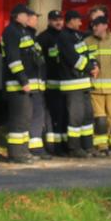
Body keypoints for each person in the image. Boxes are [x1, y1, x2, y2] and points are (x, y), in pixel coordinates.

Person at [0, 4, 42, 163]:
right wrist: (23, 80)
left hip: (25, 85)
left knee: (25, 119)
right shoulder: (11, 32)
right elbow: (14, 59)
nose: (28, 17)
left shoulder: (22, 32)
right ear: (17, 16)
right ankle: (16, 154)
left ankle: (23, 151)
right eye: (25, 15)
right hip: (17, 85)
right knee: (18, 120)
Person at [85, 9, 111, 155]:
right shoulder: (87, 42)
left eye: (96, 26)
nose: (94, 28)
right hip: (95, 89)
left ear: (104, 26)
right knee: (100, 121)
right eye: (93, 26)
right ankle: (101, 146)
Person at [58, 11, 97, 158]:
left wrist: (94, 64)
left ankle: (88, 146)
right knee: (76, 117)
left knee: (87, 116)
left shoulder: (78, 36)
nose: (81, 24)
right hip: (72, 83)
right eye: (78, 21)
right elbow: (73, 58)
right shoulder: (64, 37)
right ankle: (74, 148)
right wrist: (90, 68)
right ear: (71, 21)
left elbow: (87, 53)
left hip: (84, 82)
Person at [38, 10, 68, 155]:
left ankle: (64, 144)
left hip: (66, 82)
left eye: (60, 19)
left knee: (65, 115)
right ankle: (55, 147)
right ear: (49, 21)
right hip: (51, 83)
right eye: (55, 20)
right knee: (55, 115)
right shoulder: (43, 38)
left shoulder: (66, 36)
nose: (58, 22)